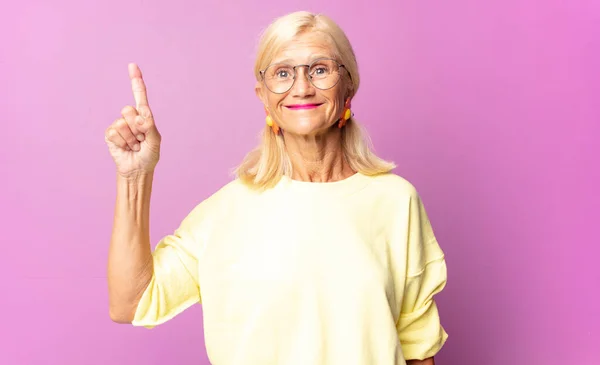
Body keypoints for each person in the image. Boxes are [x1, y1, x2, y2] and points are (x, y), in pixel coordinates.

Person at [105, 10, 448, 365]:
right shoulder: (225, 212)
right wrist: (134, 176)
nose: (302, 87)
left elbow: (417, 349)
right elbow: (131, 302)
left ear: (349, 86)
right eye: (283, 73)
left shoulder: (395, 201)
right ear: (264, 95)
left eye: (320, 69)